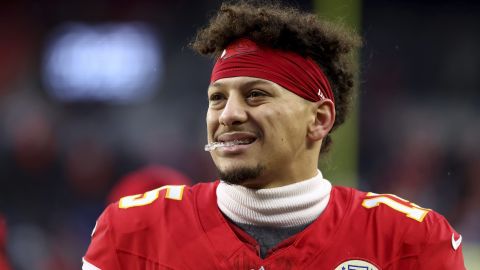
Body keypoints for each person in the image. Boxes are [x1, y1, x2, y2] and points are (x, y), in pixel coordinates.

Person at [82, 1, 466, 269]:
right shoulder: (133, 232)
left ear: (318, 119)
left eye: (256, 95)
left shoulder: (410, 241)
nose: (229, 114)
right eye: (217, 99)